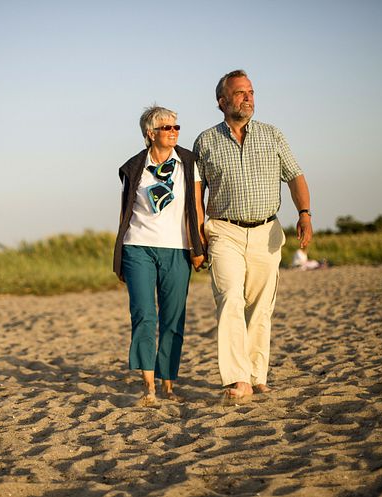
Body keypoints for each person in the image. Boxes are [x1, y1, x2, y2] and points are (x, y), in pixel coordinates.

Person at [193, 70, 313, 399]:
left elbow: (295, 175)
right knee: (230, 299)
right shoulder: (205, 141)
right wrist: (198, 234)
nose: (248, 97)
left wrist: (304, 213)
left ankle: (258, 375)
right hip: (223, 231)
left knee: (261, 307)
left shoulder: (272, 135)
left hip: (266, 231)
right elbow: (196, 193)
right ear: (222, 101)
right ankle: (237, 378)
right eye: (240, 92)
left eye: (251, 92)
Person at [112, 105, 207, 406]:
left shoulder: (190, 162)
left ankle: (168, 384)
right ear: (150, 133)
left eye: (177, 127)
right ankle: (149, 386)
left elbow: (197, 207)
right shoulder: (133, 166)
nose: (174, 132)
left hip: (177, 248)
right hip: (137, 246)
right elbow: (126, 211)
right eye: (167, 127)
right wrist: (119, 251)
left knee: (173, 317)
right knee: (144, 314)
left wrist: (199, 246)